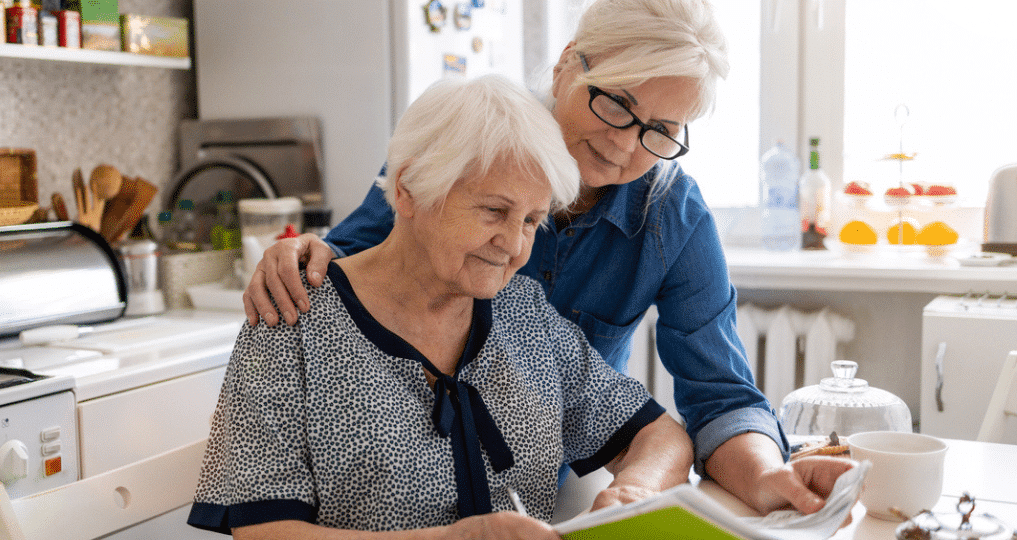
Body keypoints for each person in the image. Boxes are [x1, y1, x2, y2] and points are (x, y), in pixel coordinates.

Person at [242, 0, 854, 517]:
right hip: (391, 492)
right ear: (567, 65)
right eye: (615, 103)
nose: (621, 144)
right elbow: (354, 264)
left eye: (660, 130)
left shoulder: (672, 217)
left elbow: (720, 397)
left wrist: (769, 476)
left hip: (545, 487)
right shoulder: (464, 148)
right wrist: (296, 254)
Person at [188, 74, 693, 539]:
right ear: (408, 189)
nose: (515, 246)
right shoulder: (292, 318)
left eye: (531, 220)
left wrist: (635, 493)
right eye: (495, 210)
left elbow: (660, 436)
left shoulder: (525, 315)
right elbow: (265, 532)